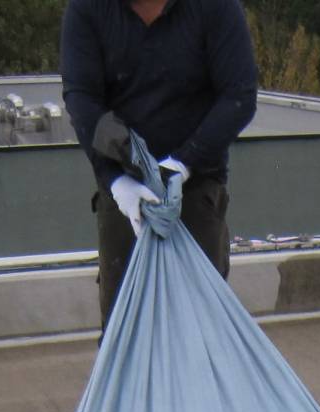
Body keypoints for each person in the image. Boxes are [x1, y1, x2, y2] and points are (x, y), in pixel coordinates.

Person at [60, 0, 259, 328]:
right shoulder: (88, 9)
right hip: (124, 195)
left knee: (201, 330)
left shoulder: (216, 7)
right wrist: (115, 181)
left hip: (195, 189)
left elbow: (239, 95)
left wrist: (182, 164)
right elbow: (82, 99)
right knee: (125, 331)